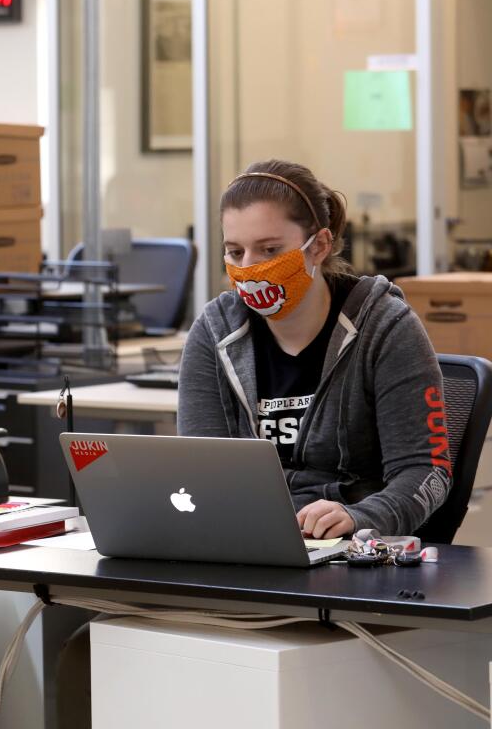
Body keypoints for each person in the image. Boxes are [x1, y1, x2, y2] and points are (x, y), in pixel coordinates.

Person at [177, 159, 452, 539]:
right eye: (235, 252)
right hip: (248, 539)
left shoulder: (386, 328)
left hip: (353, 550)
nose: (250, 268)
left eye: (270, 250)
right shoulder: (214, 332)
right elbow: (198, 470)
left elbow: (427, 471)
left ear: (319, 246)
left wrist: (362, 517)